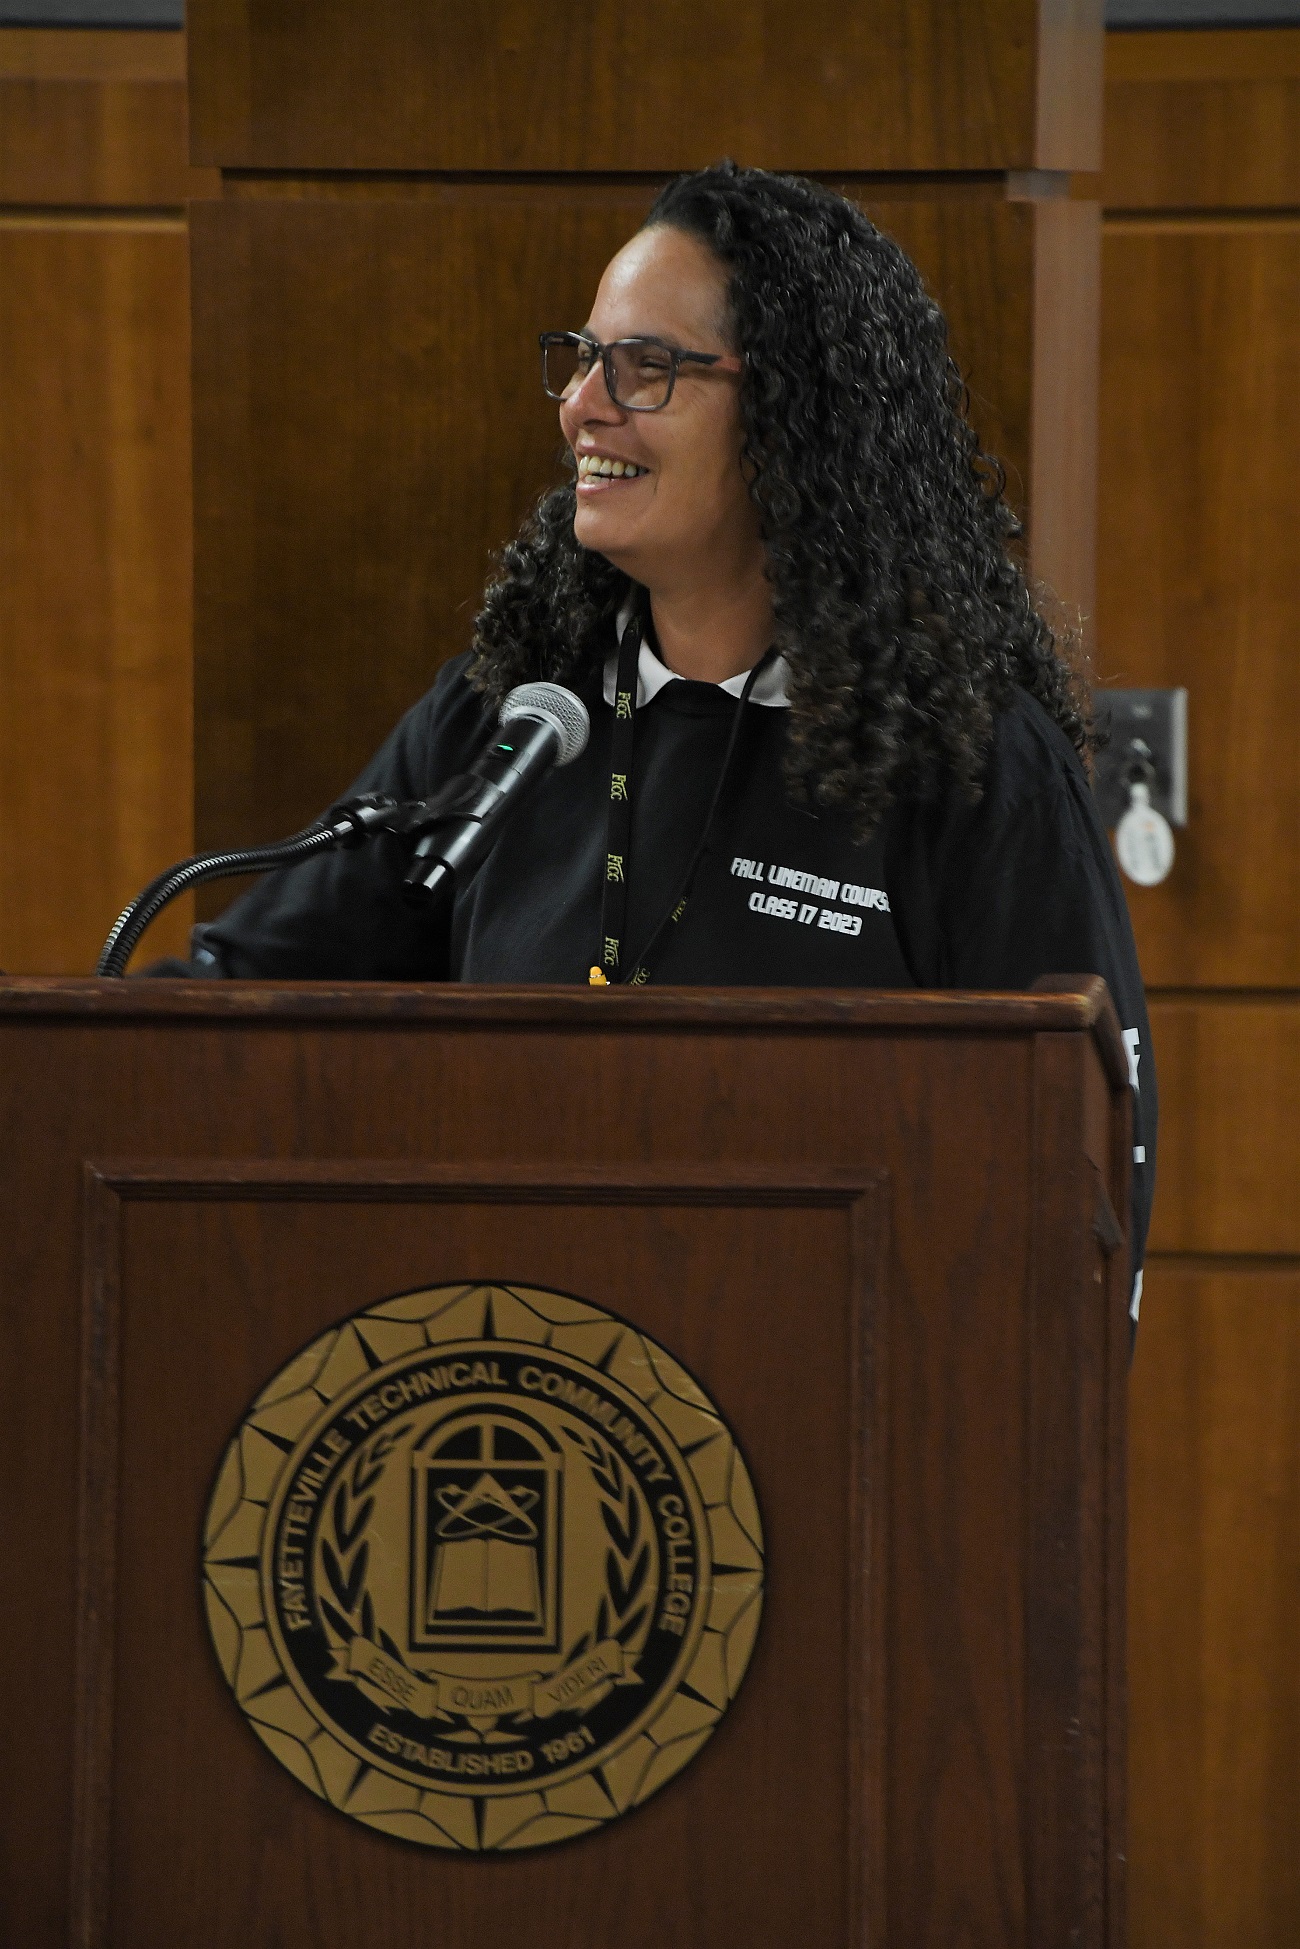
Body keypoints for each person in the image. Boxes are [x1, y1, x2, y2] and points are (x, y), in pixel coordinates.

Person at [183, 161, 1155, 1311]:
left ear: (799, 413)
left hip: (841, 1428)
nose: (582, 404)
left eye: (646, 368)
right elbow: (238, 1005)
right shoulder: (505, 719)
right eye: (583, 356)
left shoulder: (963, 763)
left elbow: (1080, 1167)